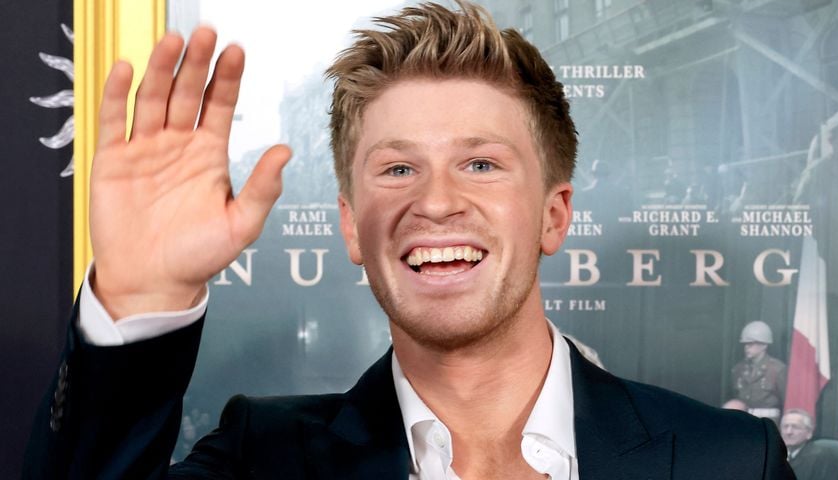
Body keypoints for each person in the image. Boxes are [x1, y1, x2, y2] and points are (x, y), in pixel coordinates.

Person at [25, 2, 793, 479]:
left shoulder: (727, 460)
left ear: (555, 216)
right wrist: (144, 297)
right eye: (397, 168)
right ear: (350, 225)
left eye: (482, 163)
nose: (436, 201)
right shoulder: (263, 455)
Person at [731, 321, 787, 423]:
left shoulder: (777, 369)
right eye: (745, 344)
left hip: (768, 423)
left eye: (751, 343)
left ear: (764, 345)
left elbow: (786, 401)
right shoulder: (739, 369)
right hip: (744, 421)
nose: (747, 347)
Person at [780, 409, 838, 480]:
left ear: (809, 433)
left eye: (795, 427)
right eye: (785, 427)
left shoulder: (821, 458)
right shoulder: (777, 454)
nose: (789, 432)